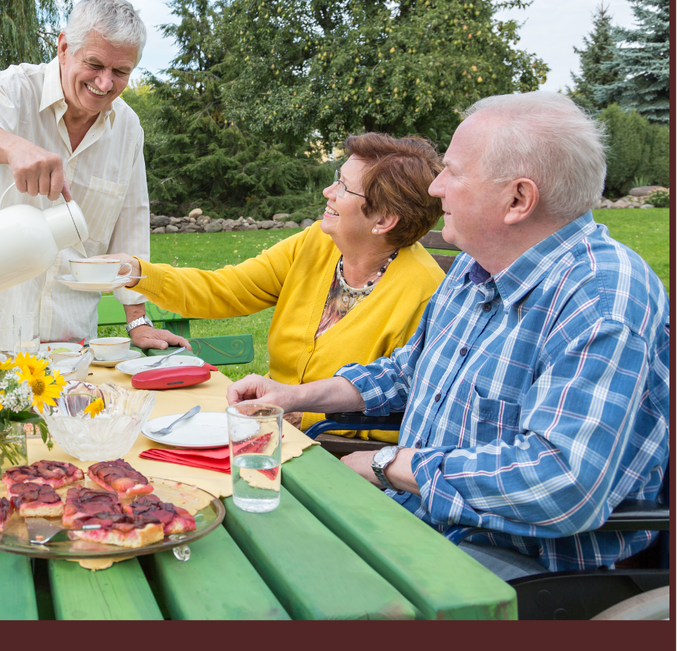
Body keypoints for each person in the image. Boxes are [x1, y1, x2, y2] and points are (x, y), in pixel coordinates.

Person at [227, 92, 670, 578]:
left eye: (454, 172)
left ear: (518, 199)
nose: (436, 188)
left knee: (283, 584)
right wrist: (292, 395)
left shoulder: (601, 298)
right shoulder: (475, 269)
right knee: (240, 545)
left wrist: (389, 465)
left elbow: (562, 482)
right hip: (419, 519)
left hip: (523, 563)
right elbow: (406, 371)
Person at [108, 133, 445, 440]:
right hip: (267, 428)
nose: (328, 192)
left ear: (383, 220)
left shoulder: (424, 291)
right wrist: (138, 273)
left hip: (332, 455)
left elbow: (407, 413)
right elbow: (226, 289)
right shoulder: (317, 243)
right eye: (335, 180)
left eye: (343, 187)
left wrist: (308, 414)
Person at [0, 0, 189, 352]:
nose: (105, 84)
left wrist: (137, 320)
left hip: (70, 330)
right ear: (64, 46)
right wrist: (14, 147)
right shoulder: (15, 89)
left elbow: (130, 231)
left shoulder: (128, 128)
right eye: (95, 65)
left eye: (120, 72)